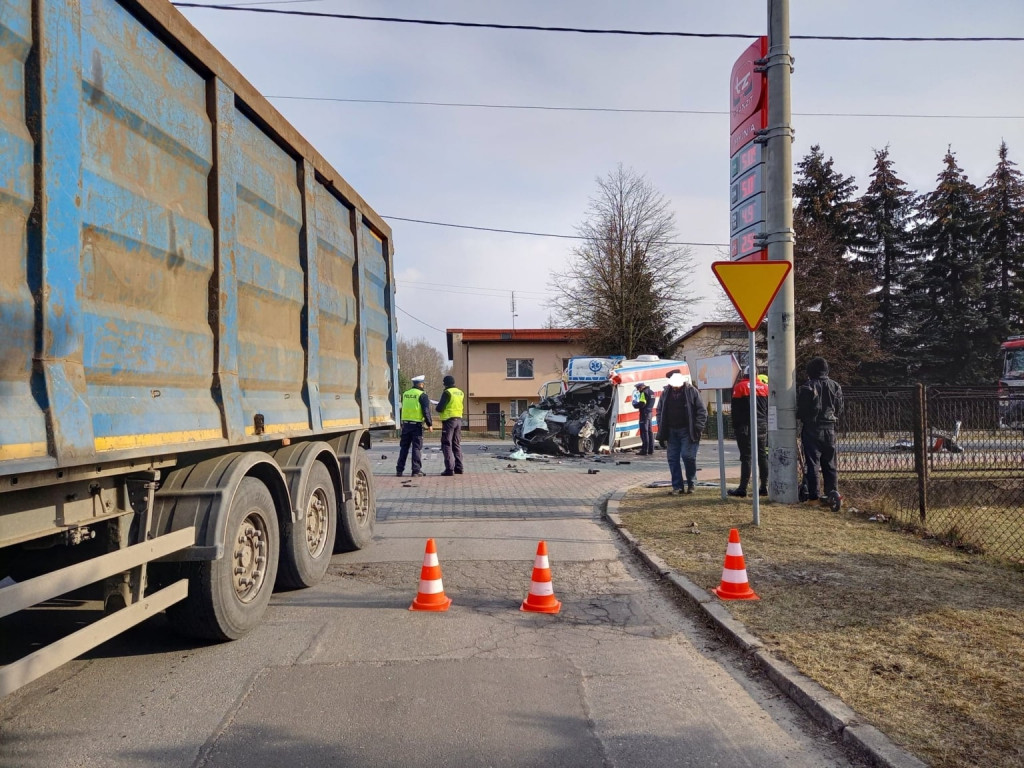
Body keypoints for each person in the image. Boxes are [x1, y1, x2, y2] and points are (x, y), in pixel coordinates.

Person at [796, 357, 844, 503]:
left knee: (812, 463)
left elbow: (801, 410)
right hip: (830, 428)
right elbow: (840, 408)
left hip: (812, 428)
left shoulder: (807, 387)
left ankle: (813, 495)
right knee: (830, 463)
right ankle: (832, 493)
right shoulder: (835, 386)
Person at [656, 371, 708, 494]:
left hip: (688, 431)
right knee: (672, 459)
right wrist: (661, 426)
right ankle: (677, 487)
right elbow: (659, 410)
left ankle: (691, 483)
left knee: (688, 456)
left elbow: (702, 411)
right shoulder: (666, 393)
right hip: (671, 431)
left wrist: (697, 428)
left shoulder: (691, 391)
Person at [728, 369, 769, 498]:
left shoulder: (740, 387)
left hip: (745, 426)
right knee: (762, 455)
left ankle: (743, 488)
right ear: (756, 374)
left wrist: (735, 427)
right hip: (762, 425)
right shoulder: (764, 387)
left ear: (745, 374)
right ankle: (764, 487)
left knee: (746, 457)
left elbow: (735, 409)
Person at [396, 375, 433, 477]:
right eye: (423, 383)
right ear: (420, 384)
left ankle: (399, 470)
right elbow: (426, 411)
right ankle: (416, 471)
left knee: (404, 448)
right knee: (416, 448)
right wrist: (429, 424)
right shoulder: (422, 395)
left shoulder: (405, 394)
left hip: (406, 425)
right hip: (416, 426)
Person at [435, 375, 465, 476]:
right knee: (456, 444)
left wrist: (437, 405)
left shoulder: (447, 392)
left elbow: (440, 408)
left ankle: (449, 469)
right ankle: (459, 468)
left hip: (449, 421)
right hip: (459, 420)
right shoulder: (460, 392)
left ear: (445, 383)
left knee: (446, 444)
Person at [631, 381, 656, 455]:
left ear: (642, 386)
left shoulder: (643, 393)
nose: (638, 390)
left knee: (644, 432)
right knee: (650, 431)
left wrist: (635, 405)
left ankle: (644, 450)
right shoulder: (651, 392)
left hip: (644, 414)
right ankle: (651, 449)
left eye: (638, 388)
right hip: (650, 413)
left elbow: (642, 403)